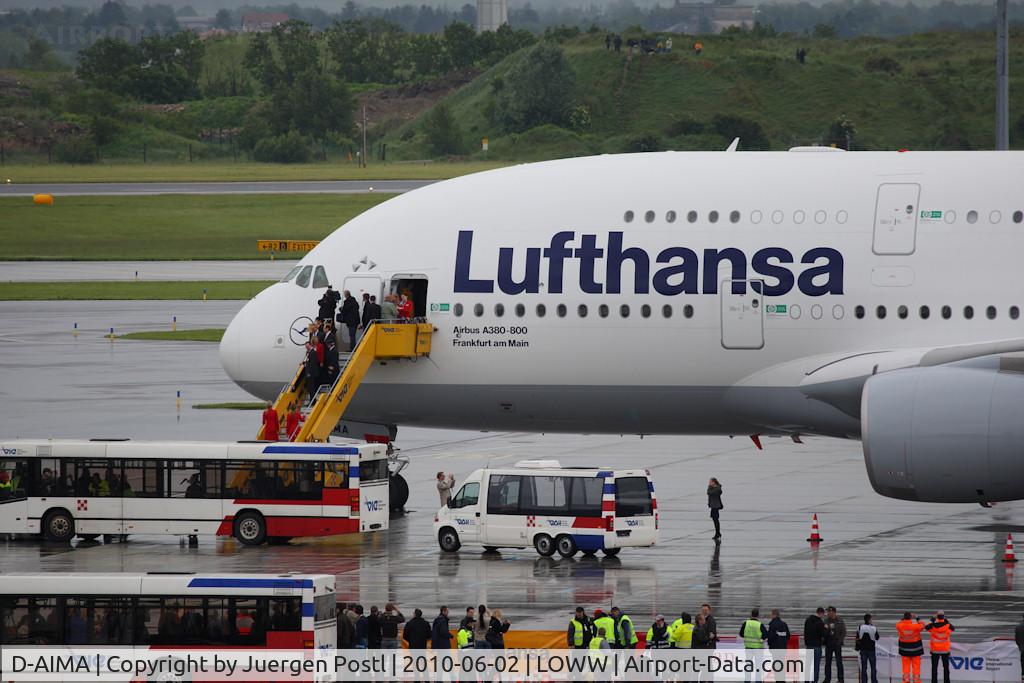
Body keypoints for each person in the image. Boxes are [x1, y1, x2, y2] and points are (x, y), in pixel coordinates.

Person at [925, 612, 954, 683]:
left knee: (934, 668)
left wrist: (933, 619)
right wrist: (945, 619)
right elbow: (953, 628)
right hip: (945, 650)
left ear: (937, 618)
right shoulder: (948, 626)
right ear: (943, 618)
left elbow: (926, 627)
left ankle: (934, 681)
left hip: (935, 650)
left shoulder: (933, 627)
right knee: (946, 667)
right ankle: (947, 681)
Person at [896, 612, 925, 683]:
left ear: (904, 618)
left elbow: (899, 623)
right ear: (910, 618)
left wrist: (904, 618)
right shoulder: (916, 626)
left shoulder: (899, 626)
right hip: (916, 650)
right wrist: (917, 617)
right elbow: (923, 625)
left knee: (905, 667)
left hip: (904, 650)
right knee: (916, 667)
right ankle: (916, 680)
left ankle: (906, 680)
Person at [824, 606, 847, 683]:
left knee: (839, 662)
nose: (828, 613)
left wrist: (839, 642)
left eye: (829, 612)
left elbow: (843, 632)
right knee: (828, 663)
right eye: (827, 612)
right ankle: (827, 679)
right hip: (829, 643)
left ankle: (841, 679)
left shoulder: (840, 620)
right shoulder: (826, 620)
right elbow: (823, 632)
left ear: (833, 612)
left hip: (837, 644)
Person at [805, 607, 827, 683]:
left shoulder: (808, 620)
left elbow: (805, 632)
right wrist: (826, 628)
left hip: (809, 646)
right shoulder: (820, 622)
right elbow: (823, 634)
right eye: (823, 614)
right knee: (816, 666)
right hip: (817, 646)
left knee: (808, 665)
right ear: (821, 613)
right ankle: (814, 681)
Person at [857, 613, 879, 683]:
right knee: (873, 667)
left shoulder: (860, 627)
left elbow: (857, 637)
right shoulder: (873, 628)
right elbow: (877, 637)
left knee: (864, 667)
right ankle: (874, 681)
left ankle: (864, 681)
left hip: (863, 649)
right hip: (871, 650)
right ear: (869, 620)